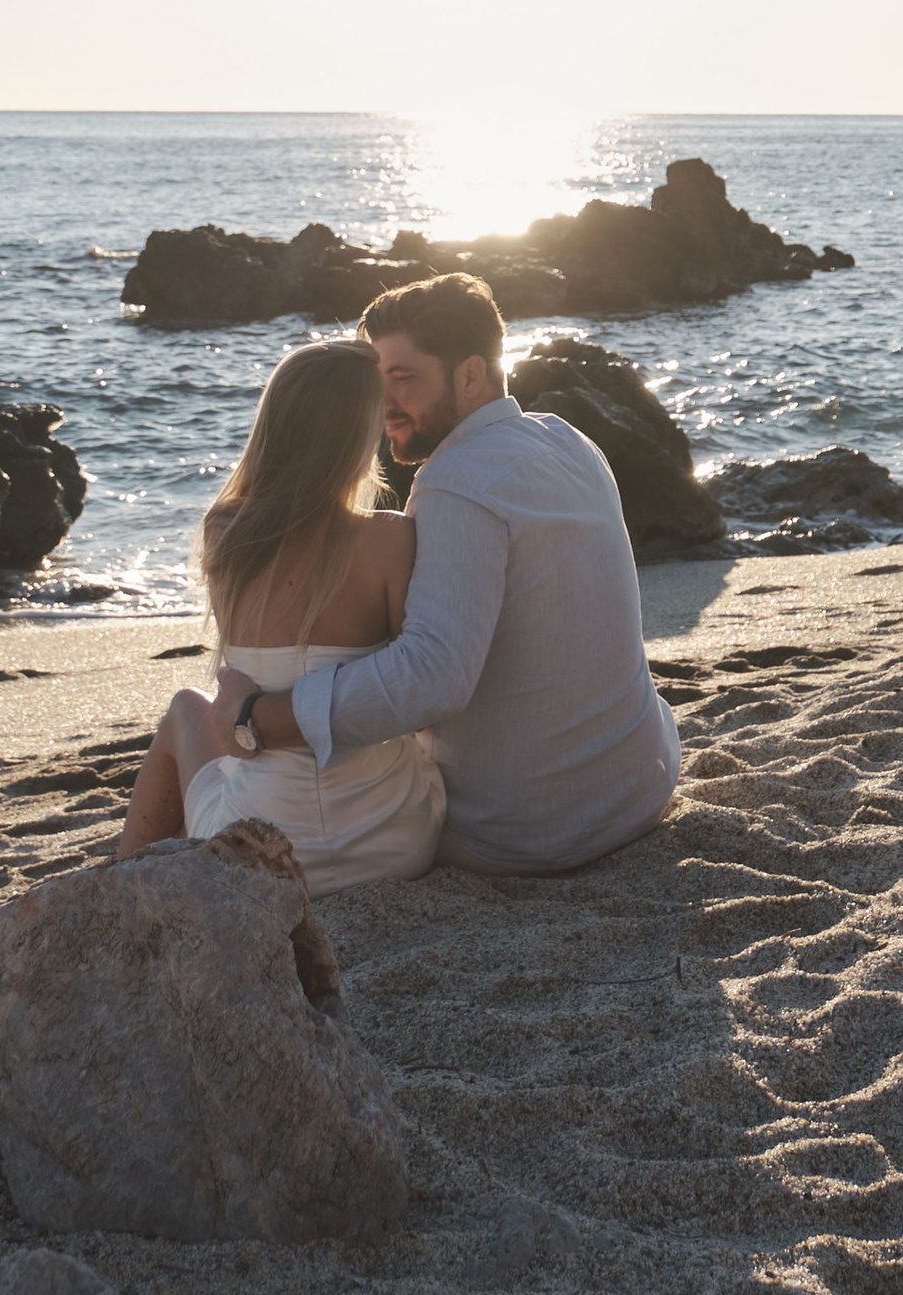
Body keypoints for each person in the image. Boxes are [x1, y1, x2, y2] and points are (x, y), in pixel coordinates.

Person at [230, 269, 681, 874]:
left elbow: (433, 676)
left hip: (528, 835)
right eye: (375, 382)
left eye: (404, 378)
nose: (382, 404)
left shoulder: (453, 486)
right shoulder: (569, 441)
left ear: (470, 373)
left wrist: (263, 717)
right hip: (638, 791)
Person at [115, 335, 445, 884]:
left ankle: (125, 882)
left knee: (186, 709)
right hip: (393, 841)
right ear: (358, 433)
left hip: (262, 857)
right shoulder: (391, 539)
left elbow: (237, 712)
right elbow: (410, 678)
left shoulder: (227, 535)